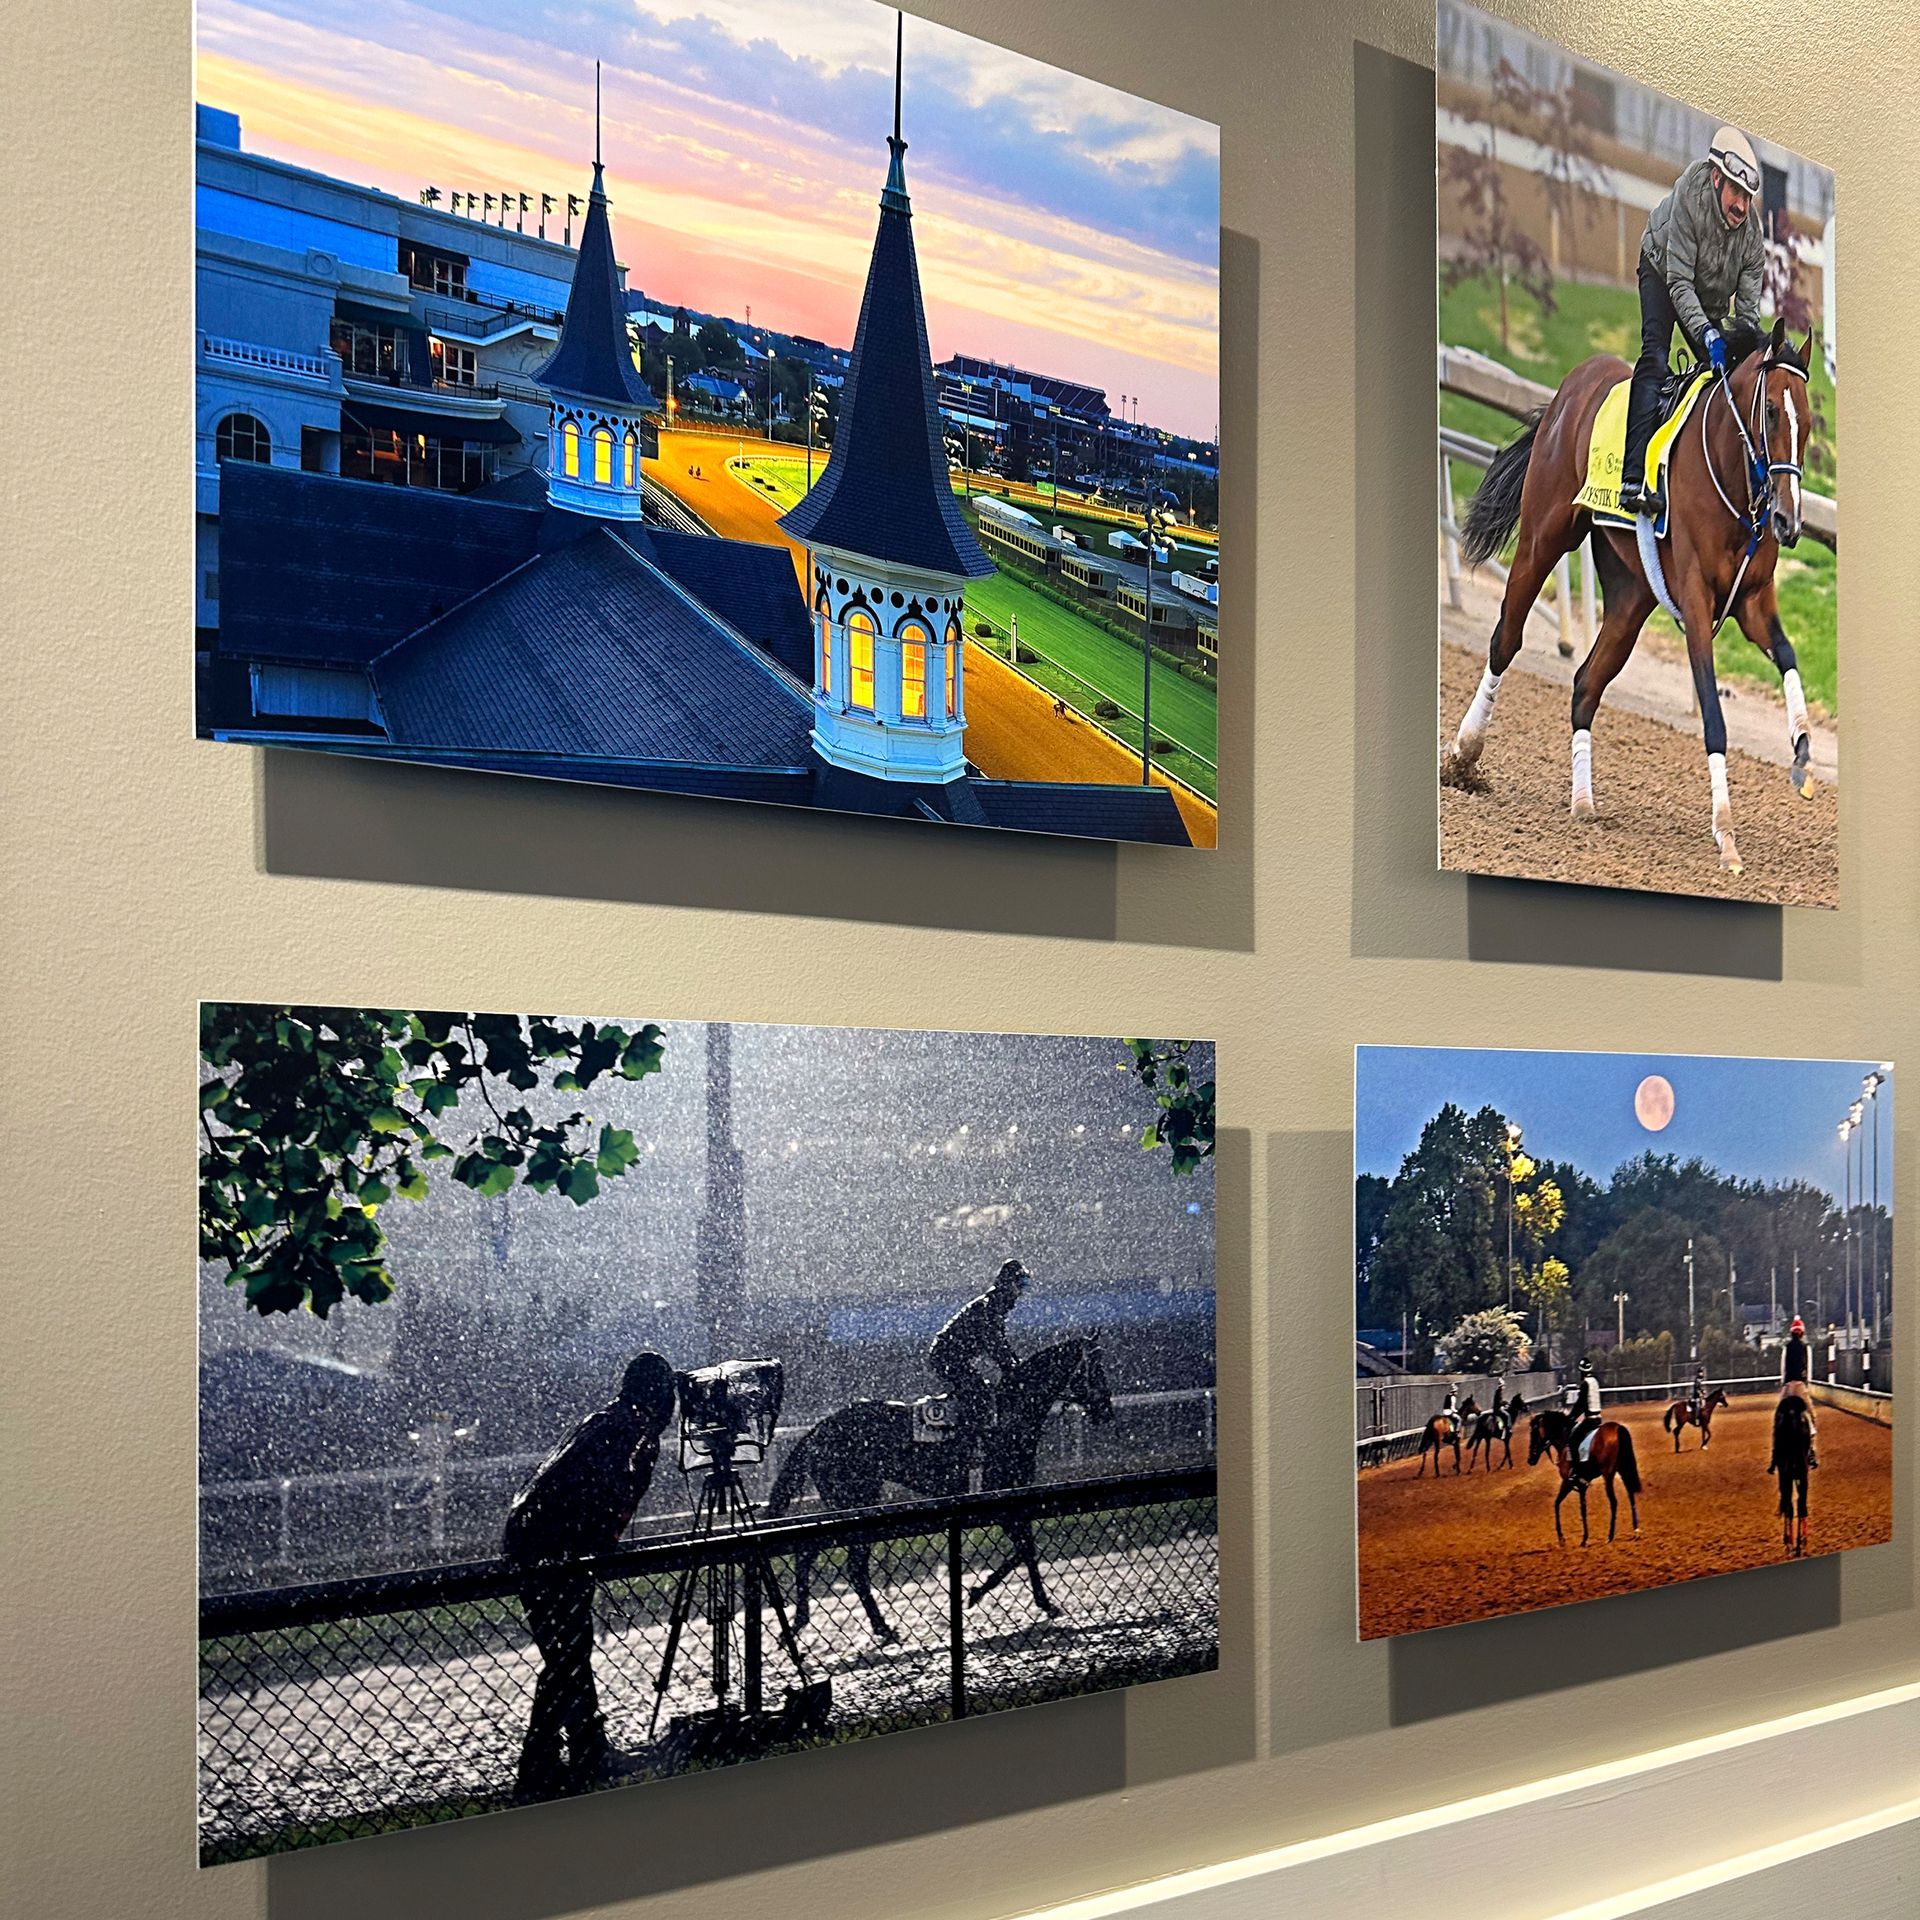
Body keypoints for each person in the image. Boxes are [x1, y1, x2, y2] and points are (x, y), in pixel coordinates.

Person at [501, 1351, 677, 1799]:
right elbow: (610, 1494)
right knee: (567, 1657)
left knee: (568, 1655)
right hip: (556, 1549)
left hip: (534, 1540)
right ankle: (544, 1763)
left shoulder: (607, 1420)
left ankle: (580, 1751)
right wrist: (598, 1547)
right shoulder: (632, 1430)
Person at [1620, 127, 1768, 519]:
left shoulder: (1753, 240)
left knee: (1722, 377)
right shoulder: (1690, 191)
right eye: (1736, 191)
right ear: (1716, 178)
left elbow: (1747, 318)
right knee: (1655, 356)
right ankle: (1632, 478)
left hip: (1704, 297)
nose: (1742, 205)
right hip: (1662, 270)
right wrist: (1706, 332)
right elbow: (1679, 283)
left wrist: (1739, 354)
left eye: (1748, 197)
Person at [928, 1259, 1030, 1449]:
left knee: (980, 1390)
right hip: (947, 1358)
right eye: (1020, 1285)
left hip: (953, 1358)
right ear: (1008, 1284)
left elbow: (1001, 1343)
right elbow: (993, 1343)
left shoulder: (995, 1306)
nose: (1021, 1292)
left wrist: (1016, 1364)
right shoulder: (988, 1307)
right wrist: (1011, 1367)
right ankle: (967, 1443)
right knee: (979, 1393)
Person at [1768, 1315, 1820, 1475]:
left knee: (1778, 1419)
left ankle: (1774, 1457)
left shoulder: (1786, 1348)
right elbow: (1808, 1372)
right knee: (1812, 1417)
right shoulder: (1806, 1348)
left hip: (1787, 1387)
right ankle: (1811, 1452)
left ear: (1791, 1333)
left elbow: (1783, 1371)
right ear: (1802, 1333)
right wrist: (1806, 1387)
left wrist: (1784, 1385)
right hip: (1801, 1387)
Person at [1564, 1357, 1604, 1462]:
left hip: (1590, 1421)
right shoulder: (1595, 1381)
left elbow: (1580, 1405)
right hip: (1599, 1419)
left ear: (1581, 1371)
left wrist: (1571, 1418)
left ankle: (1577, 1468)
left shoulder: (1585, 1384)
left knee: (1572, 1441)